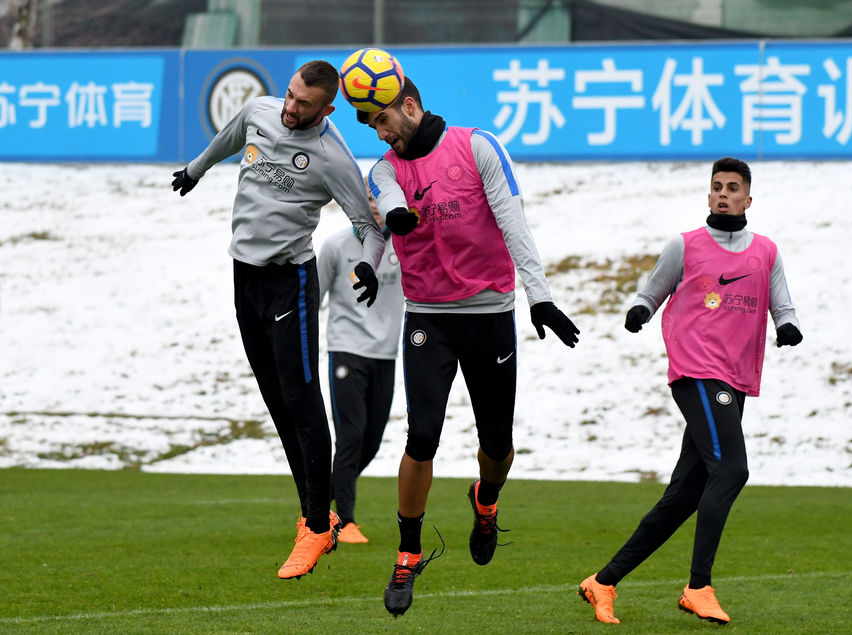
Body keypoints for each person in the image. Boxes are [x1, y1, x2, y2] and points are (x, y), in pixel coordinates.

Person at [356, 77, 580, 616]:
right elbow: (386, 207)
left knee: (497, 444)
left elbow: (514, 223)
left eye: (383, 120)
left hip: (489, 314)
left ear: (410, 106)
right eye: (372, 126)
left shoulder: (478, 146)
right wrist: (371, 256)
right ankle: (408, 552)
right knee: (421, 436)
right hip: (427, 317)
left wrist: (540, 298)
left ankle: (487, 499)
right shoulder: (385, 168)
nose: (381, 134)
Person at [170, 60, 385, 580]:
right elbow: (227, 138)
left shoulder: (333, 157)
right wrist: (196, 170)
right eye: (289, 95)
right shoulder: (260, 113)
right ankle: (314, 515)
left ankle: (317, 525)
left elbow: (368, 225)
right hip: (244, 278)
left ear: (327, 109)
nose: (290, 108)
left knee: (302, 401)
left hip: (291, 282)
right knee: (278, 402)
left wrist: (368, 266)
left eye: (303, 104)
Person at [578, 157, 803, 625]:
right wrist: (640, 311)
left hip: (735, 379)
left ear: (747, 199)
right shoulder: (685, 245)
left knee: (684, 495)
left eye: (732, 188)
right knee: (732, 469)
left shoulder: (766, 252)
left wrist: (788, 326)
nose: (723, 194)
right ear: (709, 194)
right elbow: (652, 291)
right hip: (697, 371)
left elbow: (782, 303)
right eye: (717, 186)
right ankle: (698, 587)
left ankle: (602, 581)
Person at [318, 189, 404, 544]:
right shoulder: (335, 246)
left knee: (371, 442)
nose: (374, 207)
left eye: (379, 200)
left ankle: (317, 505)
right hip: (346, 351)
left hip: (386, 354)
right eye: (368, 199)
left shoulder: (405, 247)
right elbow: (313, 298)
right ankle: (345, 521)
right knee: (351, 436)